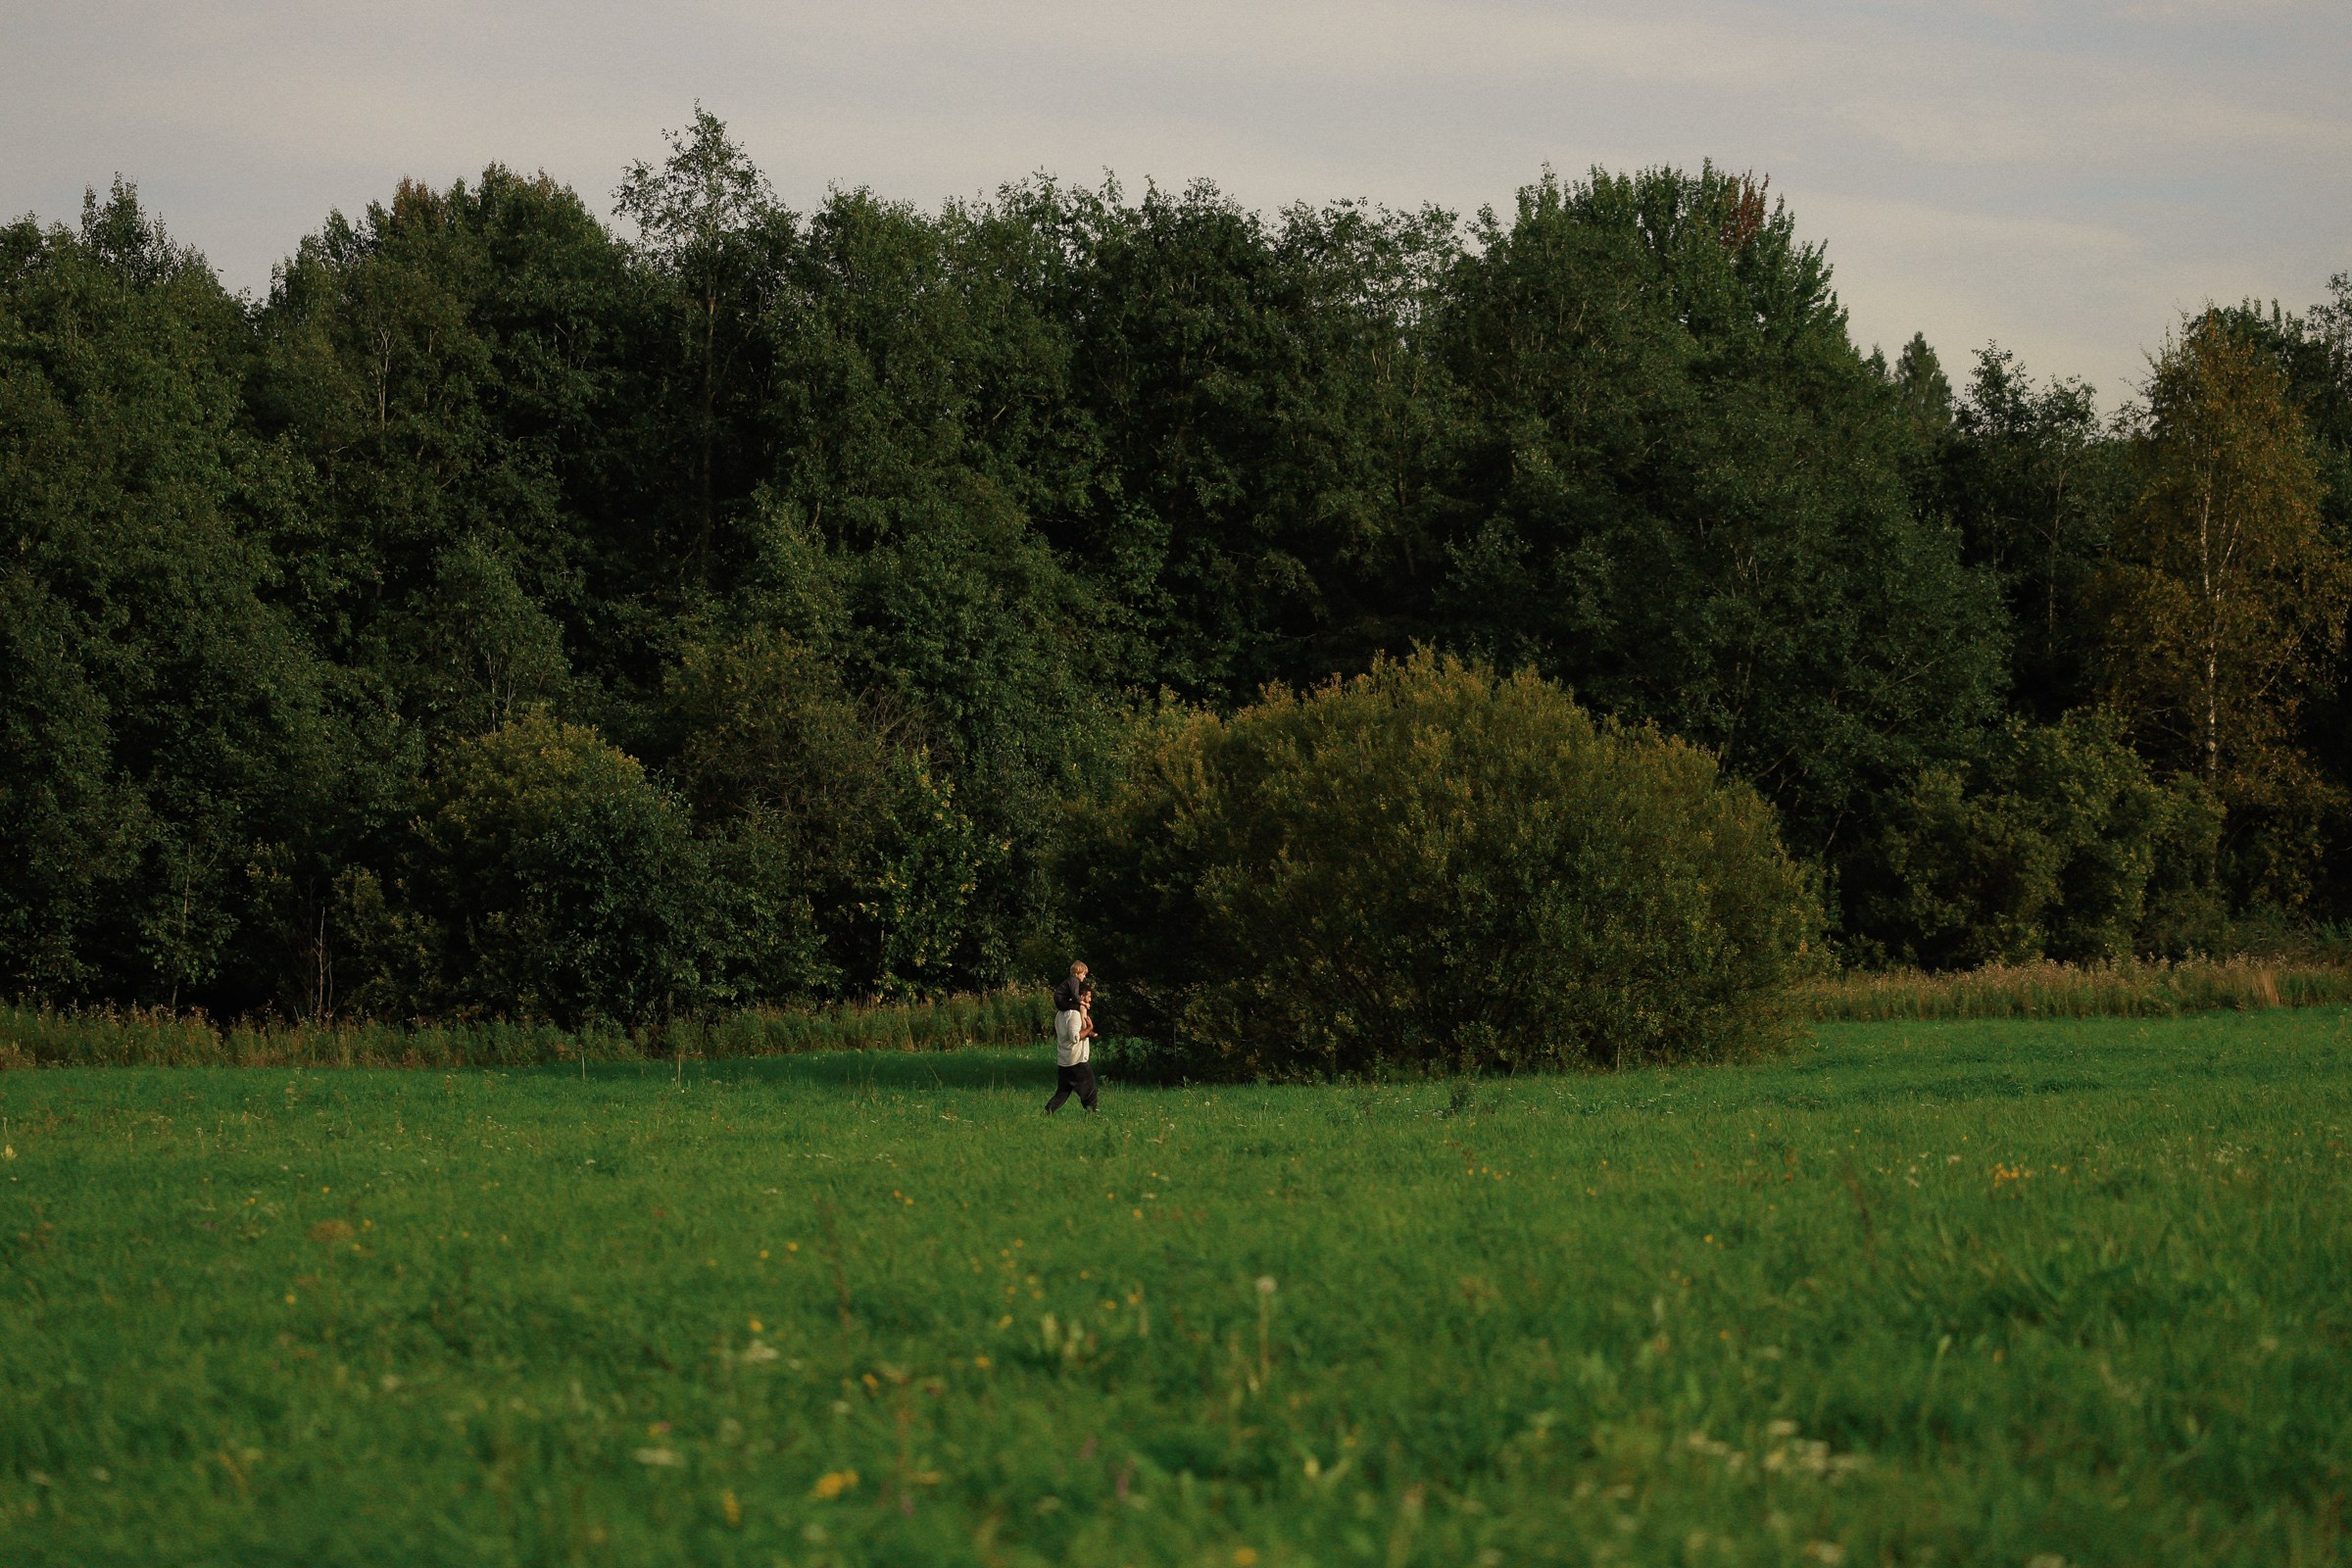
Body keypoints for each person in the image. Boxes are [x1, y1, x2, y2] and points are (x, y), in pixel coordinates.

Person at [1046, 960, 1099, 1114]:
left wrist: (1088, 1032)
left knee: (1063, 1092)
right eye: (1087, 997)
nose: (1089, 1001)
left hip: (1064, 1061)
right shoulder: (1074, 1014)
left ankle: (1047, 1112)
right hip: (1075, 1060)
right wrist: (1089, 1028)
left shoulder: (1060, 1014)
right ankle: (1092, 1115)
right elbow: (1075, 1037)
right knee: (1091, 1090)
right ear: (1080, 996)